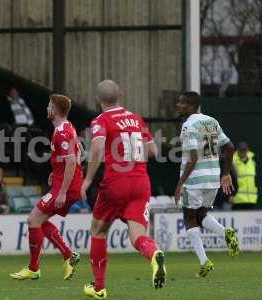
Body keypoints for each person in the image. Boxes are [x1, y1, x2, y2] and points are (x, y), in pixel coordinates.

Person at [80, 80, 166, 299]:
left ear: (97, 99)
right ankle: (153, 253)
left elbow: (97, 149)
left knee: (98, 231)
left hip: (116, 183)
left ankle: (99, 288)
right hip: (141, 183)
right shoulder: (136, 119)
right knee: (138, 235)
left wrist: (87, 180)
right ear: (121, 94)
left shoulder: (101, 120)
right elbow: (154, 150)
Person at [10, 94, 83, 281]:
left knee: (33, 219)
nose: (47, 108)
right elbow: (79, 151)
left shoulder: (61, 133)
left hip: (66, 187)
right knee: (39, 220)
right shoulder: (68, 127)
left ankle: (34, 268)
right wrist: (57, 171)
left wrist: (64, 190)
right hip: (66, 183)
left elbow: (73, 161)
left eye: (49, 105)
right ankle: (69, 255)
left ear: (56, 110)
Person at [175, 91, 239, 278]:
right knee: (202, 214)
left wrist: (180, 183)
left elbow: (193, 157)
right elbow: (229, 147)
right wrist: (226, 173)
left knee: (189, 218)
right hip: (212, 178)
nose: (179, 106)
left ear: (191, 105)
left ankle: (204, 262)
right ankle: (226, 232)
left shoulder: (188, 125)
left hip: (194, 180)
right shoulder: (212, 121)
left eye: (182, 103)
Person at [232, 142, 258, 210]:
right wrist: (231, 195)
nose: (243, 152)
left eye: (244, 150)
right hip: (238, 199)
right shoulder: (233, 162)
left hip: (251, 199)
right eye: (241, 150)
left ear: (247, 150)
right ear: (237, 150)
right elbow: (231, 179)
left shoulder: (253, 161)